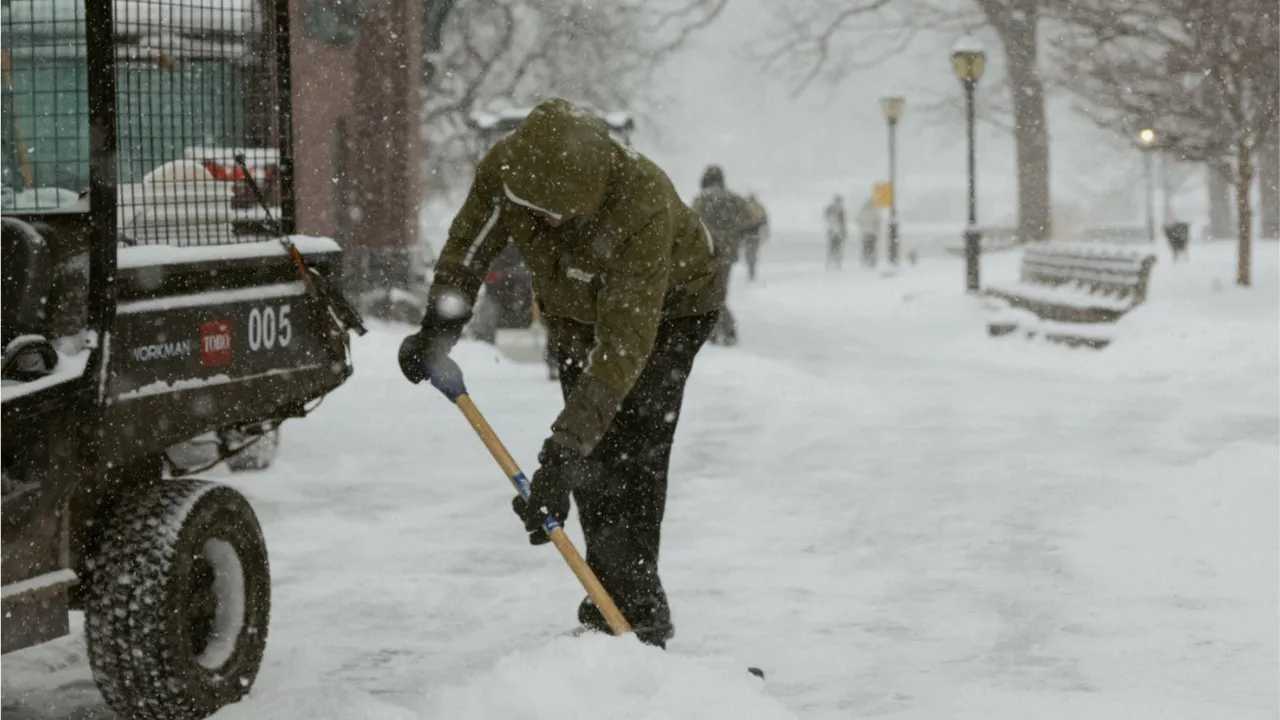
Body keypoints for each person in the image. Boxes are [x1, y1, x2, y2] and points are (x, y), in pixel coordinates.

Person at [397, 99, 724, 649]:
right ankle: (610, 610)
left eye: (557, 215)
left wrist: (559, 454)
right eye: (535, 211)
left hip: (672, 310)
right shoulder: (508, 171)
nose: (544, 222)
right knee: (593, 462)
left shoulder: (640, 202)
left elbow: (623, 347)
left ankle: (638, 621)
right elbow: (467, 252)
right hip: (575, 310)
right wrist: (438, 329)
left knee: (632, 452)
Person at [691, 165, 759, 345]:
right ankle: (718, 328)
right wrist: (736, 232)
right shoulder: (736, 199)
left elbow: (691, 223)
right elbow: (755, 218)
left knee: (710, 293)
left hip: (708, 252)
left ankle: (724, 329)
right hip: (727, 254)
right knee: (718, 292)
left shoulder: (701, 199)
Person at [740, 193, 769, 281]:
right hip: (755, 235)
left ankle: (750, 269)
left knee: (748, 253)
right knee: (752, 253)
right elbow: (764, 221)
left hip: (747, 235)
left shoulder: (744, 208)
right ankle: (752, 270)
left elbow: (739, 221)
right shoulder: (759, 208)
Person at [856, 196, 880, 268]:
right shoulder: (874, 212)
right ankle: (871, 261)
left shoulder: (863, 212)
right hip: (872, 233)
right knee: (872, 248)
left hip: (865, 233)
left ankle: (865, 260)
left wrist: (863, 227)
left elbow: (859, 220)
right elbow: (877, 222)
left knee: (865, 247)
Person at [824, 195, 847, 270]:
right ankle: (835, 263)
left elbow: (826, 218)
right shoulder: (839, 210)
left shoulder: (831, 209)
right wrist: (843, 232)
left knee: (833, 247)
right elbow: (843, 223)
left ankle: (832, 263)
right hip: (836, 231)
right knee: (835, 248)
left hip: (833, 231)